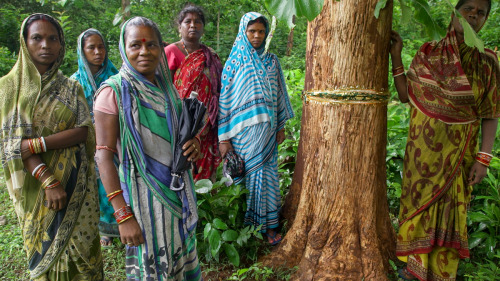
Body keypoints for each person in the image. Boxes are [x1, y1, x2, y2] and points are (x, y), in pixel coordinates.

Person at [390, 0, 498, 280]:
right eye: (468, 9)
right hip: (421, 152)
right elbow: (405, 95)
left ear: (485, 20)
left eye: (480, 13)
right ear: (454, 13)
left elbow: (491, 113)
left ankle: (441, 271)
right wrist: (396, 55)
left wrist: (483, 159)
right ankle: (415, 267)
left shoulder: (487, 61)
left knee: (451, 208)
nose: (473, 17)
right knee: (420, 204)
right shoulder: (428, 52)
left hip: (460, 153)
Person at [93, 16, 202, 280]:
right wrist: (122, 215)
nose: (144, 52)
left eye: (151, 45)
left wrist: (194, 143)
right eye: (135, 45)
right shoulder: (114, 92)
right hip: (142, 199)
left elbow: (178, 133)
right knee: (151, 268)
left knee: (180, 260)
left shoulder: (167, 89)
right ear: (124, 49)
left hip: (177, 192)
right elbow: (103, 156)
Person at [0, 14, 103, 280]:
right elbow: (12, 145)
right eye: (37, 38)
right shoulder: (9, 89)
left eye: (52, 38)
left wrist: (36, 143)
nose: (45, 44)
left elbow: (84, 131)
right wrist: (48, 180)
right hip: (37, 189)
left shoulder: (71, 87)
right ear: (25, 43)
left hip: (79, 185)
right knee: (47, 254)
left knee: (84, 254)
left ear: (61, 45)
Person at [218, 12, 294, 245]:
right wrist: (224, 139)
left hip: (268, 135)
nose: (257, 36)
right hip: (242, 137)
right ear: (244, 32)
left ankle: (270, 228)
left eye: (261, 31)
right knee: (246, 181)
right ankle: (246, 233)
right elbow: (225, 102)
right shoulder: (233, 63)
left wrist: (280, 126)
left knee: (268, 179)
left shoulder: (272, 62)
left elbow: (279, 93)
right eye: (252, 31)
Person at [71, 28, 120, 248]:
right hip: (87, 142)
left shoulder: (114, 76)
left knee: (117, 179)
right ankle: (104, 229)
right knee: (96, 184)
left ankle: (122, 222)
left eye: (101, 47)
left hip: (115, 139)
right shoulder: (74, 82)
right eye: (91, 47)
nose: (98, 52)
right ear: (82, 51)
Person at [165, 4, 222, 181]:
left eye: (198, 22)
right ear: (179, 26)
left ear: (203, 28)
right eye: (187, 21)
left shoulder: (210, 56)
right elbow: (163, 86)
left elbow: (218, 91)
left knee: (204, 178)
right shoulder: (170, 52)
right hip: (179, 123)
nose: (193, 25)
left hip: (206, 125)